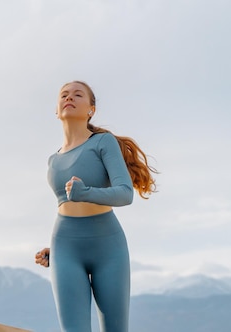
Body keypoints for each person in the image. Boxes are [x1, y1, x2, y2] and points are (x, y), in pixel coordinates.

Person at [34, 81, 157, 332]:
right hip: (65, 245)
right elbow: (64, 206)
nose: (69, 98)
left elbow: (125, 194)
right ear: (57, 111)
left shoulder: (103, 142)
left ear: (91, 109)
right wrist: (54, 249)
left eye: (78, 95)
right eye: (64, 95)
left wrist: (85, 193)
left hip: (108, 247)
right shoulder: (53, 160)